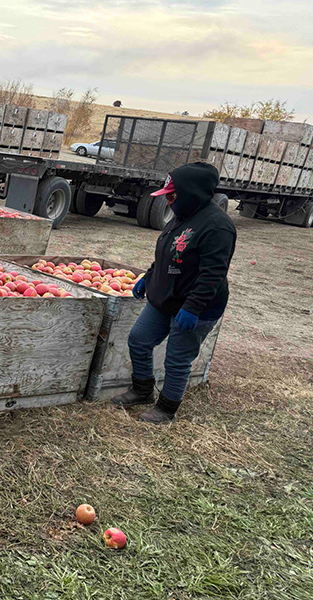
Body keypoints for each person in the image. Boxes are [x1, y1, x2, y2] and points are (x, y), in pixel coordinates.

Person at [111, 162, 236, 424]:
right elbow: (168, 252)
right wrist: (149, 276)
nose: (168, 201)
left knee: (177, 359)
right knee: (139, 340)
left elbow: (213, 274)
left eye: (172, 195)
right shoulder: (183, 215)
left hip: (196, 305)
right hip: (166, 297)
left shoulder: (217, 226)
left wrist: (193, 307)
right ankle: (142, 390)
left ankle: (166, 409)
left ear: (192, 193)